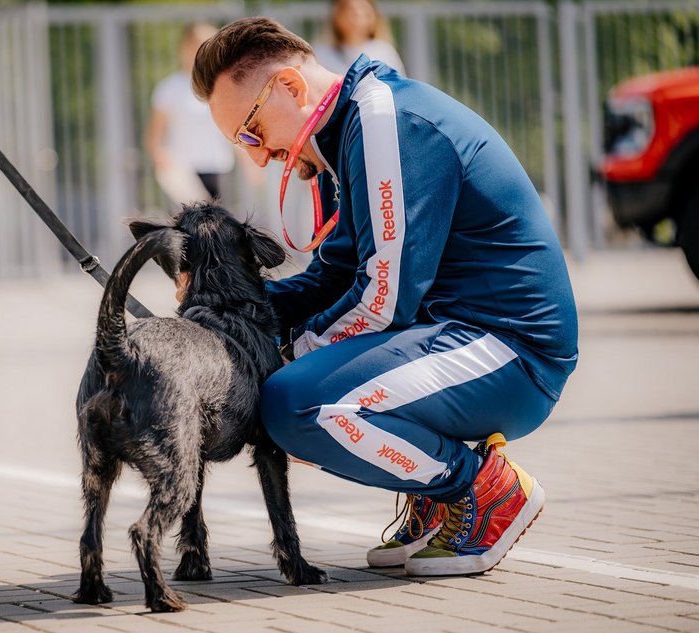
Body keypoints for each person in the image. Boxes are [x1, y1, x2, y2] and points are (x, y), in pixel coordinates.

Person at [192, 17, 577, 576]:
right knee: (288, 391)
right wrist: (229, 321)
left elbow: (382, 300)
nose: (257, 156)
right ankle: (433, 491)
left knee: (296, 403)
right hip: (455, 338)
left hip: (512, 353)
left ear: (292, 89)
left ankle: (481, 488)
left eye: (252, 133)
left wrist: (280, 354)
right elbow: (334, 274)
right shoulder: (343, 132)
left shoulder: (383, 120)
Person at [145, 22, 235, 206]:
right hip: (183, 169)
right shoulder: (169, 87)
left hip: (217, 164)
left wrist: (250, 163)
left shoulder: (222, 85)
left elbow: (233, 127)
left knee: (217, 225)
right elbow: (155, 131)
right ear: (184, 47)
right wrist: (158, 155)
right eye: (196, 43)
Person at [312, 0, 405, 76]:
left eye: (363, 8)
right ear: (336, 15)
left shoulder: (384, 51)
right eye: (349, 9)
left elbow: (399, 88)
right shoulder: (323, 53)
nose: (357, 13)